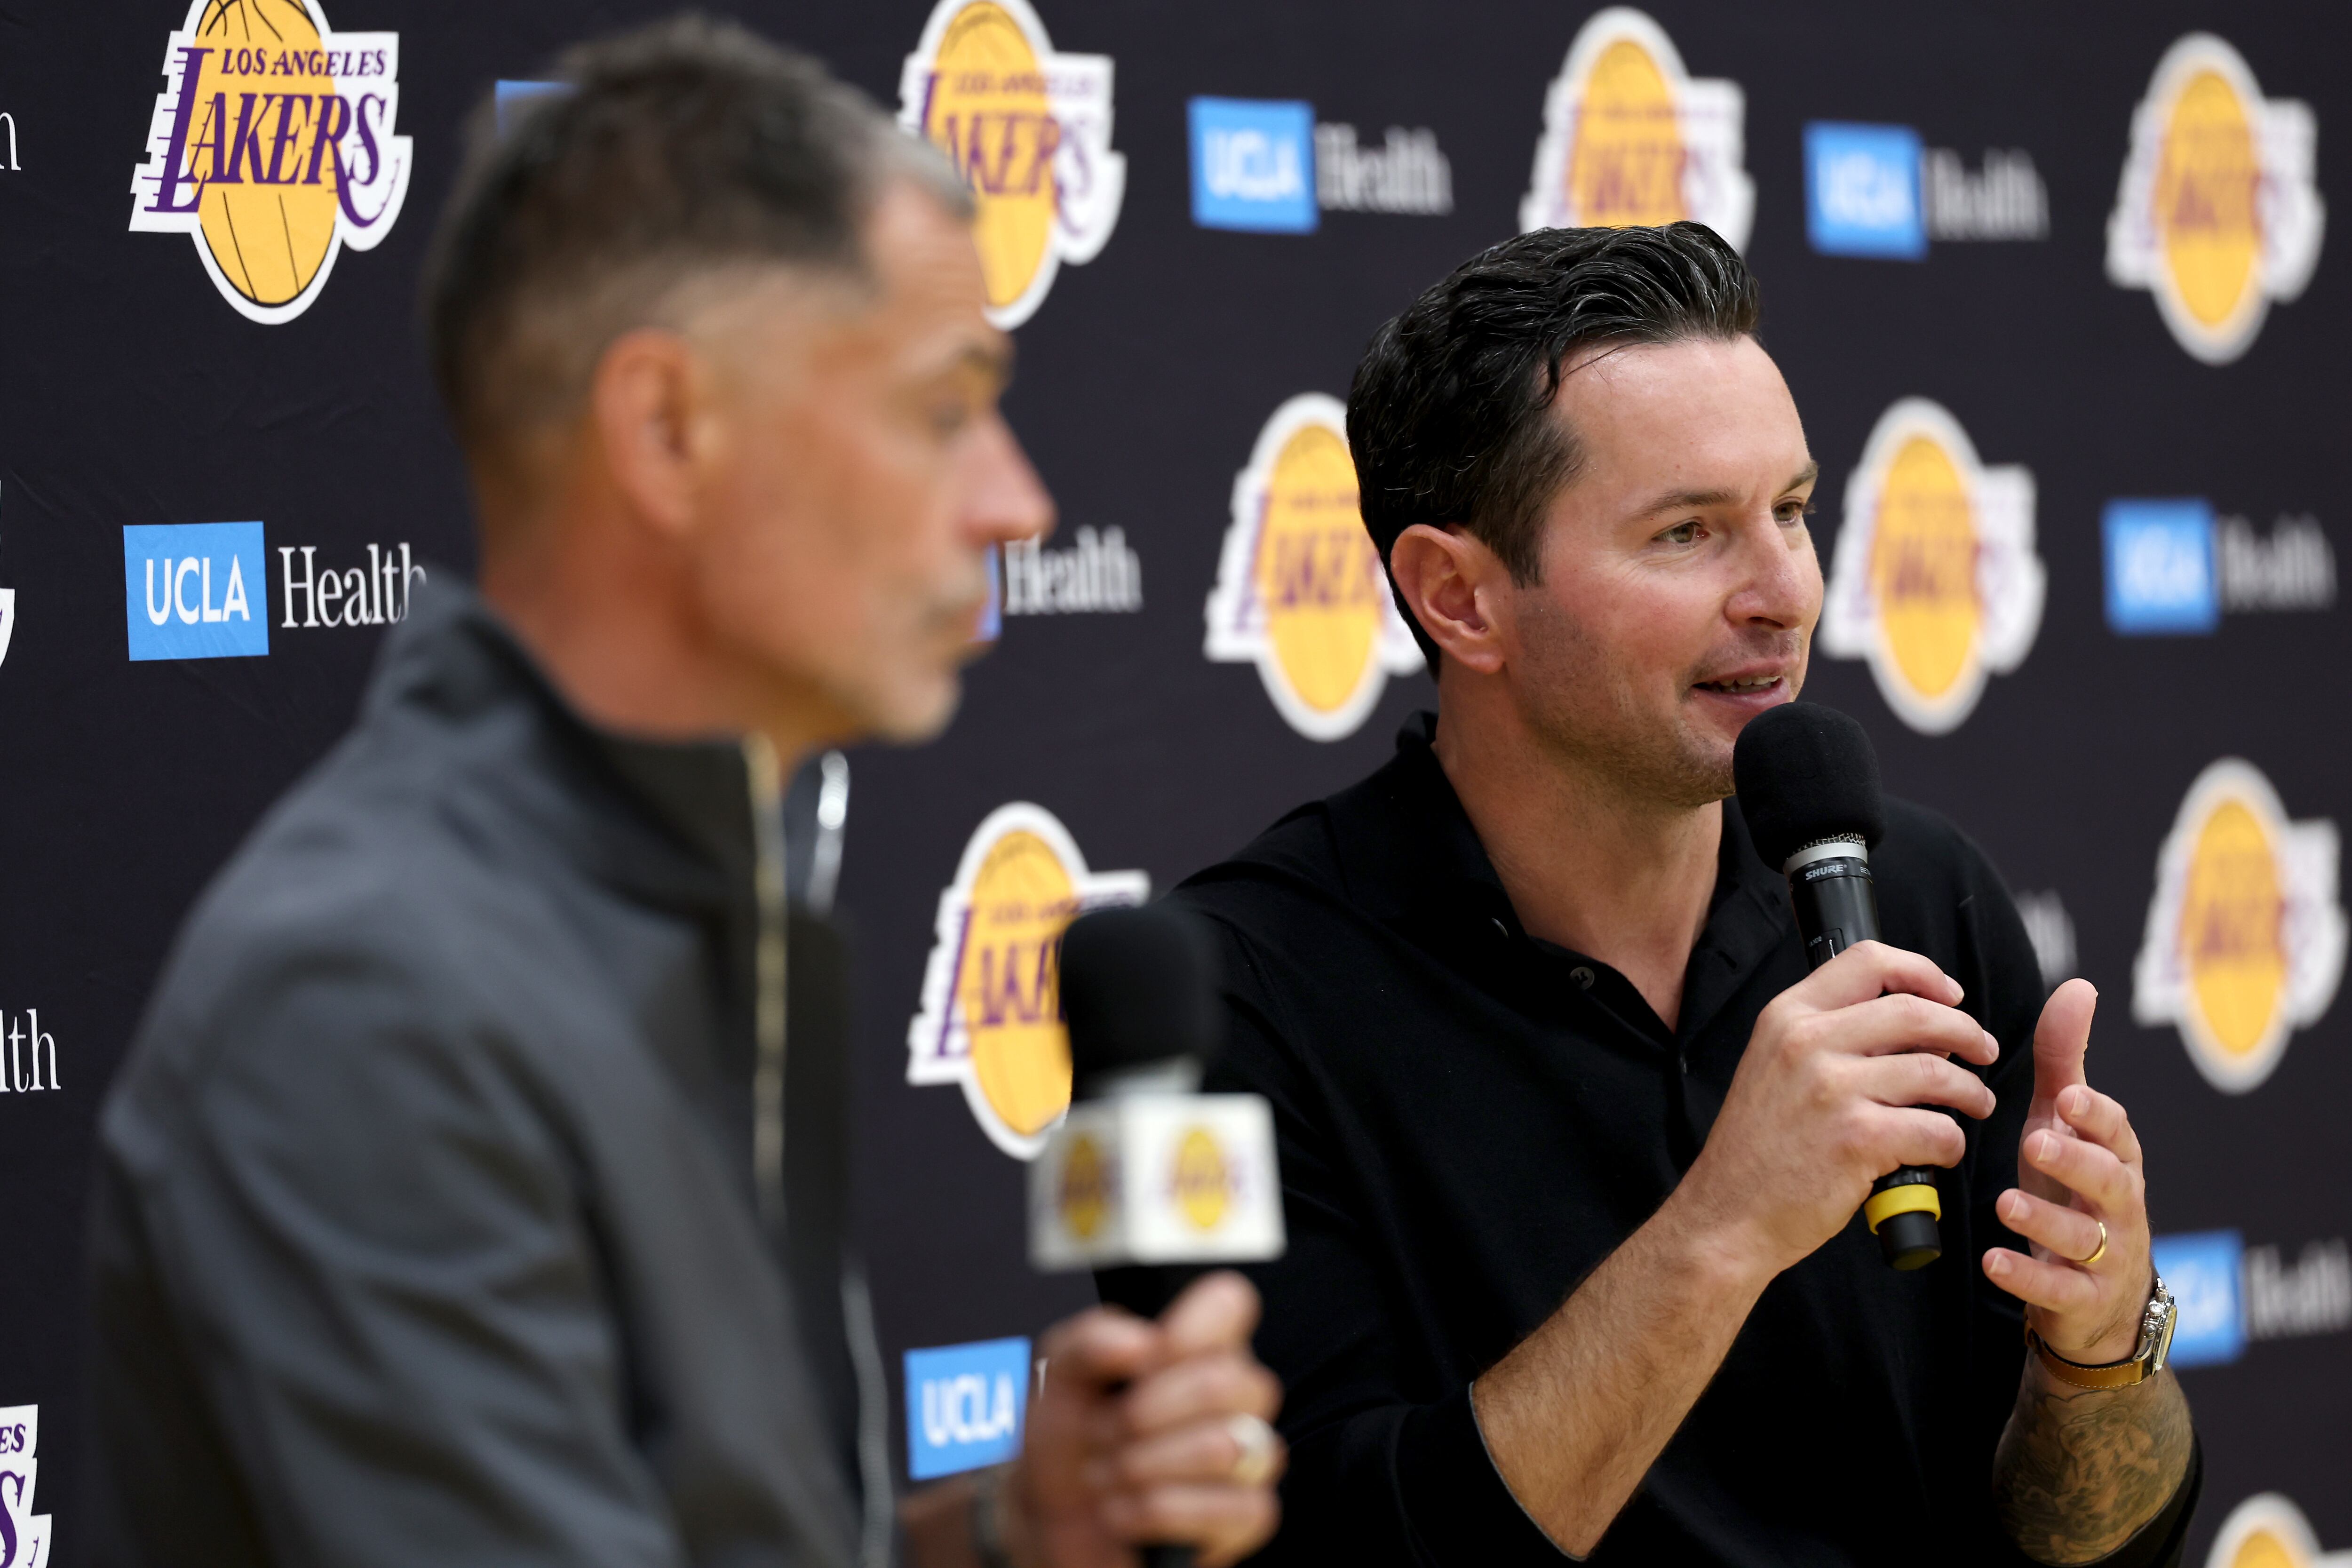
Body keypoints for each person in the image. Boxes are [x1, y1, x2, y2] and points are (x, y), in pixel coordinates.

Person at [87, 20, 1282, 1568]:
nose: (1017, 500)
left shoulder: (681, 893)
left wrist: (997, 1534)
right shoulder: (372, 997)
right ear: (666, 432)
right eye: (940, 408)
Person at [1103, 223, 2198, 1566]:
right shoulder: (1237, 992)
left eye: (1792, 511)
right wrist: (1725, 1228)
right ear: (1459, 598)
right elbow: (1311, 1551)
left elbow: (2098, 1548)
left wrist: (2096, 1359)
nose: (1785, 593)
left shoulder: (1917, 898)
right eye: (1687, 533)